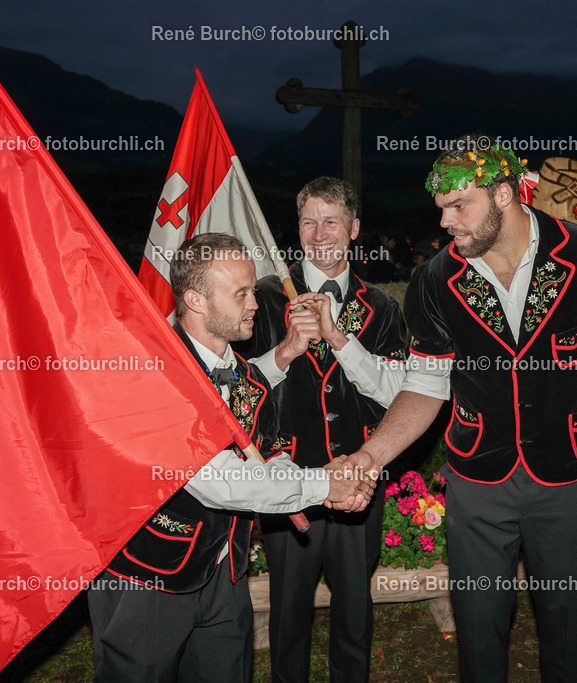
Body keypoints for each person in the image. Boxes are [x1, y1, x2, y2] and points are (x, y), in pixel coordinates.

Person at [346, 136, 577, 682]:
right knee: (478, 624)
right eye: (440, 209)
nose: (445, 222)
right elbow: (425, 384)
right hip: (478, 476)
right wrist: (370, 456)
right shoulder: (434, 279)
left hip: (568, 472)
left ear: (506, 194)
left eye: (458, 206)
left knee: (565, 623)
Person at [87, 233, 374, 682]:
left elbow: (268, 459)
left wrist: (319, 484)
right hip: (151, 574)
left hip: (226, 572)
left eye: (253, 291)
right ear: (195, 300)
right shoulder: (159, 375)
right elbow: (221, 483)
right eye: (240, 294)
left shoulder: (246, 376)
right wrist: (324, 485)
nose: (256, 304)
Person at [240, 177, 408, 682]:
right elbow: (237, 393)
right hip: (288, 483)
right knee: (288, 616)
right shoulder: (264, 299)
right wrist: (286, 350)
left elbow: (398, 396)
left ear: (354, 228)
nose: (319, 234)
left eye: (331, 221)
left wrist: (339, 338)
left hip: (359, 483)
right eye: (309, 222)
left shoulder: (380, 306)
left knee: (355, 613)